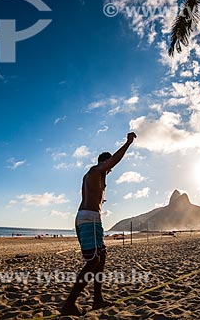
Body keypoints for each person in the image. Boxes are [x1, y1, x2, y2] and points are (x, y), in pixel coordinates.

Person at [61, 132, 137, 316]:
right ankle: (69, 304)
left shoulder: (99, 178)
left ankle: (97, 299)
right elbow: (113, 161)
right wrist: (128, 143)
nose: (110, 169)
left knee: (101, 257)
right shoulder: (94, 171)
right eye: (108, 165)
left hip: (93, 220)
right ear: (104, 162)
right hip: (88, 219)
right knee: (93, 260)